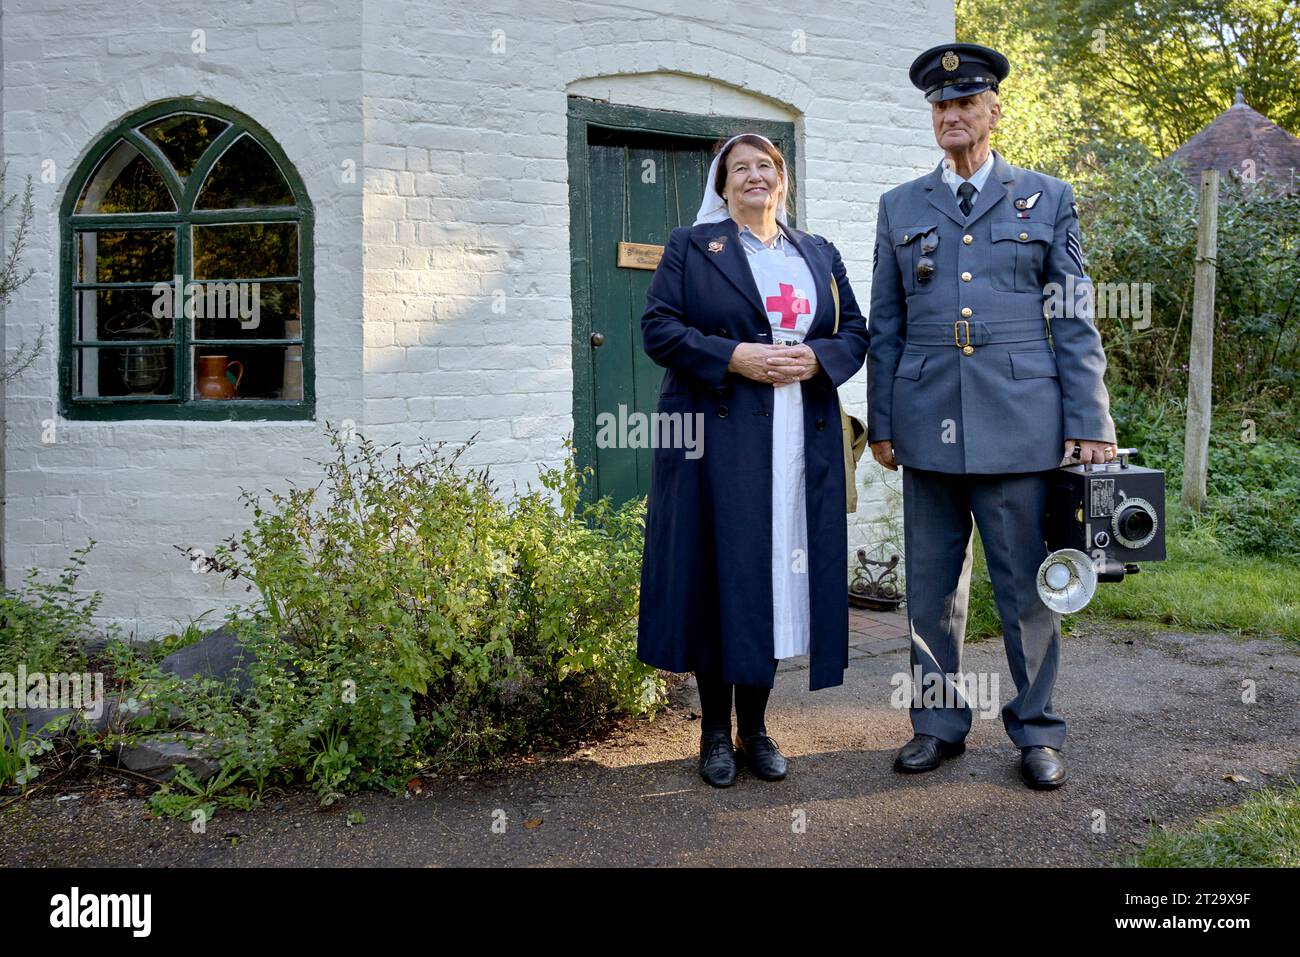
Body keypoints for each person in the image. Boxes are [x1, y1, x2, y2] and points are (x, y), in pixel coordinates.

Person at [867, 43, 1117, 790]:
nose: (951, 115)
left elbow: (1073, 315)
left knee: (1025, 587)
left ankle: (1037, 730)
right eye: (940, 106)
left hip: (1019, 422)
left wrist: (1091, 418)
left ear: (993, 109)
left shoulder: (1047, 196)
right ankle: (936, 725)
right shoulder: (900, 205)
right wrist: (881, 422)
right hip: (925, 417)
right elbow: (885, 322)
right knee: (932, 591)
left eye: (964, 102)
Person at [638, 133, 870, 787]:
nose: (754, 176)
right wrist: (733, 356)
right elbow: (658, 327)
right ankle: (715, 733)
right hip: (724, 438)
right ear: (723, 185)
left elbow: (854, 327)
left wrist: (818, 357)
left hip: (800, 436)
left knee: (774, 576)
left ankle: (757, 728)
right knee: (723, 576)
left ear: (783, 179)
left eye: (765, 165)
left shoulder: (815, 253)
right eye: (740, 168)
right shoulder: (692, 248)